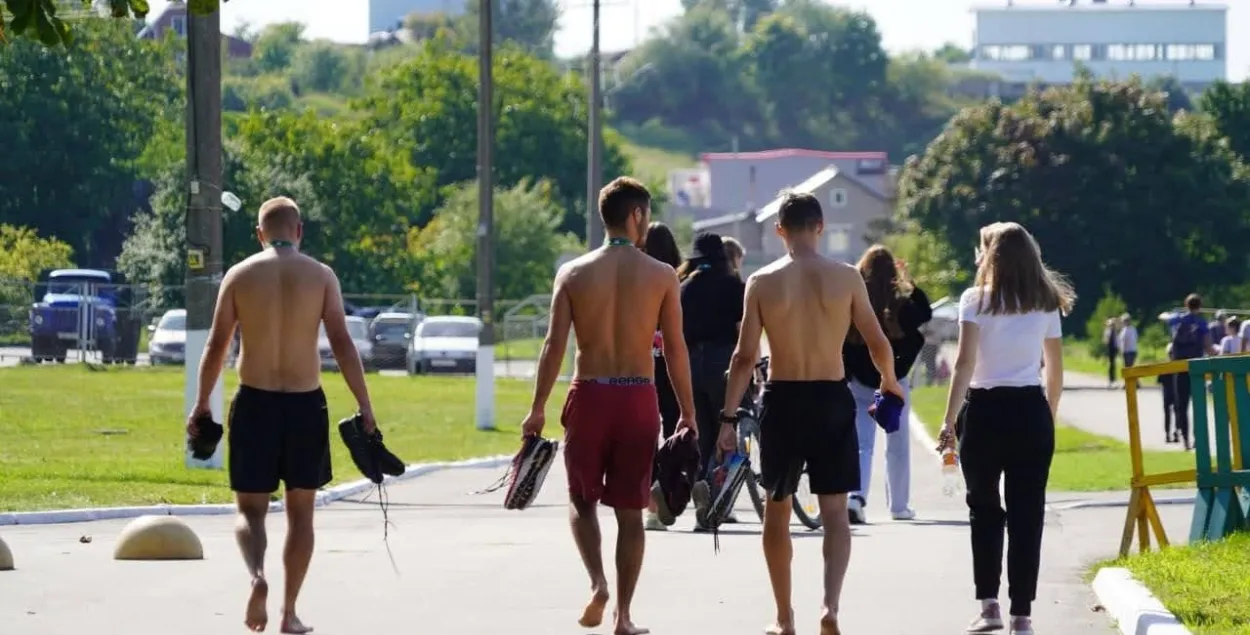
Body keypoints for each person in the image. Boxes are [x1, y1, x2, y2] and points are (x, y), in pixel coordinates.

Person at [186, 196, 377, 634]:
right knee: (301, 515)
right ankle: (289, 613)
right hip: (305, 404)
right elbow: (344, 344)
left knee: (249, 511)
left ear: (259, 234)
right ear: (299, 230)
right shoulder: (321, 276)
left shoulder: (240, 275)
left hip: (255, 401)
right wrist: (365, 405)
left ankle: (257, 577)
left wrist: (201, 403)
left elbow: (216, 345)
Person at [719, 191, 903, 635]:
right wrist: (890, 382)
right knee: (836, 513)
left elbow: (744, 358)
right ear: (820, 226)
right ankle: (831, 606)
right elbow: (877, 341)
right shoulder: (846, 278)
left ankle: (784, 618)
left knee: (776, 512)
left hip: (783, 400)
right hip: (831, 398)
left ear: (779, 230)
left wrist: (728, 418)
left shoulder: (761, 281)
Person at [519, 177, 697, 635]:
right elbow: (676, 349)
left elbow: (553, 345)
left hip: (591, 392)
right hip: (638, 395)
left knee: (582, 499)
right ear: (636, 216)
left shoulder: (574, 273)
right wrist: (689, 413)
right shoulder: (660, 275)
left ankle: (598, 583)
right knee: (631, 510)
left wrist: (538, 407)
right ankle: (624, 616)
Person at [938, 221, 1074, 635]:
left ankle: (989, 605)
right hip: (1030, 411)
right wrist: (1048, 414)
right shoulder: (1045, 302)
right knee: (1027, 513)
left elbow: (963, 364)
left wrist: (948, 420)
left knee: (983, 509)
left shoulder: (974, 300)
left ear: (990, 256)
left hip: (983, 411)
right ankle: (1022, 615)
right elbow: (1055, 368)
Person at [843, 245, 931, 525]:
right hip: (894, 380)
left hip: (858, 382)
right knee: (897, 442)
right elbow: (925, 313)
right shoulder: (901, 305)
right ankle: (899, 505)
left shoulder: (855, 303)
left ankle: (856, 498)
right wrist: (909, 282)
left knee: (862, 444)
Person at [677, 232, 747, 529]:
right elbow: (743, 329)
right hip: (724, 362)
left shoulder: (684, 288)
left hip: (692, 364)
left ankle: (702, 495)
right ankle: (719, 500)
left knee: (705, 435)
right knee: (728, 430)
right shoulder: (733, 286)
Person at [641, 221, 685, 532]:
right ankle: (667, 494)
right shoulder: (678, 282)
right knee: (672, 434)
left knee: (645, 436)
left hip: (642, 367)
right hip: (671, 365)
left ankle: (650, 506)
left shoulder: (637, 280)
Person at [1161, 293, 1216, 450]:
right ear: (1200, 306)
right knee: (1199, 405)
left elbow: (1162, 317)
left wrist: (1172, 314)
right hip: (1197, 369)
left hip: (1180, 368)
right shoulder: (1201, 323)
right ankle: (1198, 438)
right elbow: (1208, 347)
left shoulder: (1178, 319)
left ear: (1186, 304)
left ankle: (1185, 440)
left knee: (1182, 406)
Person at [1103, 317, 1119, 389]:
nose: (1112, 325)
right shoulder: (1107, 331)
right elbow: (1105, 341)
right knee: (1110, 365)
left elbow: (1116, 341)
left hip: (1114, 349)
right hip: (1109, 349)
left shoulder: (1115, 332)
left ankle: (1113, 380)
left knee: (1113, 365)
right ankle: (1110, 380)